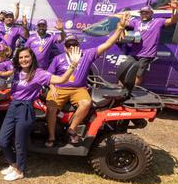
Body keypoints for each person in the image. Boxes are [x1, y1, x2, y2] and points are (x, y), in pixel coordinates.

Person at [0, 46, 81, 182]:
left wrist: (72, 65)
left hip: (25, 108)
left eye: (27, 57)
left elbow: (60, 80)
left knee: (19, 142)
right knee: (2, 141)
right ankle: (13, 164)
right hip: (13, 107)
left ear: (32, 58)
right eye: (21, 57)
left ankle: (20, 170)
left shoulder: (39, 73)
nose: (24, 59)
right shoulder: (16, 72)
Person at [45, 14, 130, 147]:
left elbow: (107, 44)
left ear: (79, 46)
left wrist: (120, 28)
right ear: (65, 47)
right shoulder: (58, 59)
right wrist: (52, 87)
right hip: (59, 88)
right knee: (51, 108)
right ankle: (51, 136)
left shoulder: (87, 54)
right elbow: (48, 76)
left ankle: (71, 129)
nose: (72, 47)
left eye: (75, 44)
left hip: (79, 89)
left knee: (86, 103)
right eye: (69, 45)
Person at [126, 0, 178, 85]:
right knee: (125, 70)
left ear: (151, 13)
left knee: (138, 75)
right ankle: (120, 91)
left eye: (146, 12)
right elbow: (122, 23)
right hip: (134, 53)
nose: (144, 14)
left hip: (146, 54)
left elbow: (173, 20)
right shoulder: (136, 22)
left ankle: (132, 92)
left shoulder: (157, 22)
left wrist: (174, 9)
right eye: (142, 12)